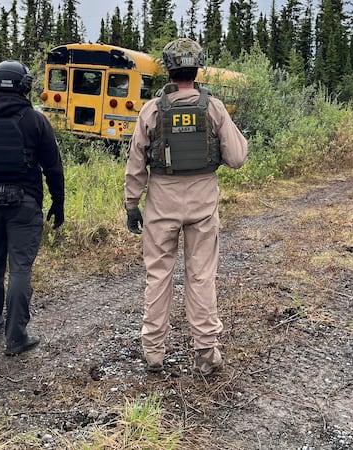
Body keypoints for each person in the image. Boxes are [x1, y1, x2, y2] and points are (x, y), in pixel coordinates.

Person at [124, 38, 248, 375]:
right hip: (203, 203)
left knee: (158, 276)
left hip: (161, 203)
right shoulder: (214, 108)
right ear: (198, 68)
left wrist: (131, 204)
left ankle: (153, 352)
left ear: (167, 68)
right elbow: (237, 158)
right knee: (201, 276)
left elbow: (136, 163)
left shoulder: (151, 110)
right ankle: (206, 353)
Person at [0, 60, 65, 356]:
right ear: (25, 86)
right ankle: (16, 337)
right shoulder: (36, 121)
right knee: (20, 270)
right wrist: (58, 203)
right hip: (25, 206)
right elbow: (53, 168)